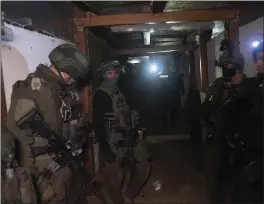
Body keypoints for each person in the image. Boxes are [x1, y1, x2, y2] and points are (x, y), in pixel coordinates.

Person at [6, 43, 90, 204]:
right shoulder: (31, 90)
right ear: (66, 72)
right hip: (44, 170)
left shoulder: (56, 90)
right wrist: (30, 180)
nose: (73, 81)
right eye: (72, 77)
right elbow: (17, 136)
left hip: (63, 163)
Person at [92, 60, 151, 204]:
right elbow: (98, 124)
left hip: (129, 137)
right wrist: (105, 149)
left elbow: (126, 114)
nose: (114, 76)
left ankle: (129, 194)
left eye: (116, 73)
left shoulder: (118, 91)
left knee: (144, 166)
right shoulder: (100, 95)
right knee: (115, 180)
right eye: (110, 73)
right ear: (104, 75)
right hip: (112, 142)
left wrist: (134, 128)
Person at [201, 39, 245, 204]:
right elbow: (205, 113)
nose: (227, 69)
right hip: (216, 137)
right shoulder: (215, 87)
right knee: (213, 176)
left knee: (236, 180)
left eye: (231, 66)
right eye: (224, 66)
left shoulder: (245, 87)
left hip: (237, 141)